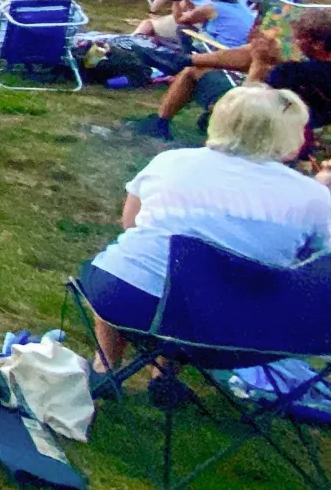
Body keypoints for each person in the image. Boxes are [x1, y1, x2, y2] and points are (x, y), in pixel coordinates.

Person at [83, 84, 331, 375]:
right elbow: (318, 264)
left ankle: (106, 366)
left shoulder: (171, 162)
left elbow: (131, 225)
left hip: (130, 302)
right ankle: (163, 374)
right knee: (202, 282)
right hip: (234, 333)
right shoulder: (310, 197)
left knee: (131, 257)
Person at [133, 8, 331, 140]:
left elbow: (247, 103)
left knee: (193, 72)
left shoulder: (295, 73)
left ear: (317, 44)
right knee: (256, 54)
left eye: (299, 39)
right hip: (306, 122)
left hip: (268, 125)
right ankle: (182, 60)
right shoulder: (307, 70)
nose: (296, 43)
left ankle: (160, 122)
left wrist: (260, 62)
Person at [132, 0, 253, 48]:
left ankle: (185, 60)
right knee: (189, 27)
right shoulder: (240, 8)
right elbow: (197, 16)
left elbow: (180, 19)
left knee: (181, 28)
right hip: (239, 50)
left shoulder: (211, 7)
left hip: (220, 49)